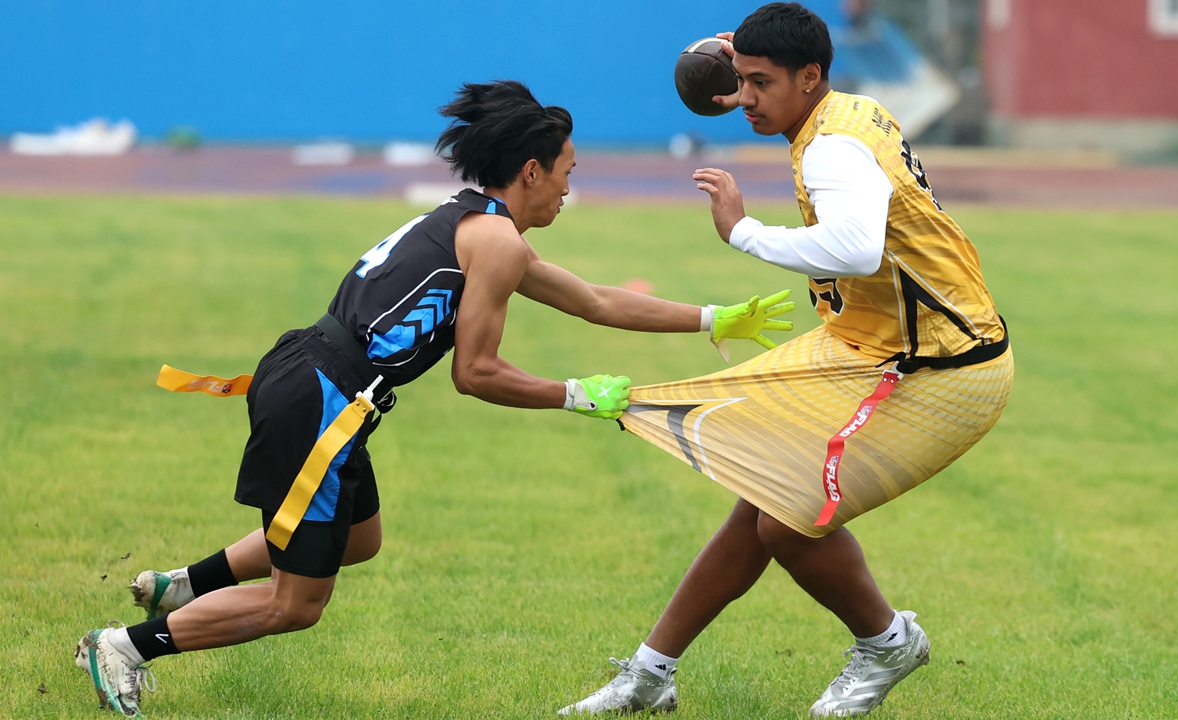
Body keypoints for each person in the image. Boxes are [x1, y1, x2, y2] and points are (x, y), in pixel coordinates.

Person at [73, 80, 796, 718]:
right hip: (321, 401)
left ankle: (181, 584)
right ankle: (122, 649)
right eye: (567, 173)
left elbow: (595, 300)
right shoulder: (499, 242)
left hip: (311, 377)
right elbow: (475, 373)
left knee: (359, 540)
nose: (569, 189)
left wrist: (712, 319)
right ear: (532, 169)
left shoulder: (474, 219)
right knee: (296, 605)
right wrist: (578, 396)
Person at [559, 3, 1012, 717]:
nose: (743, 99)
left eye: (759, 83)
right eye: (740, 79)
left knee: (787, 518)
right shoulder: (841, 108)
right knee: (761, 490)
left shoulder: (829, 146)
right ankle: (651, 672)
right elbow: (803, 79)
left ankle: (888, 643)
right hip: (866, 345)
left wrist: (743, 232)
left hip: (942, 367)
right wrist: (751, 51)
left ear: (810, 78)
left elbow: (858, 249)